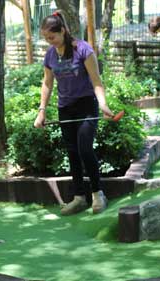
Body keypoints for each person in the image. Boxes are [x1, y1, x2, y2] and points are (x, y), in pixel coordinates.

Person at [34, 11, 115, 215]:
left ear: (62, 31)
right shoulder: (51, 54)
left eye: (51, 37)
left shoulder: (83, 50)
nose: (49, 42)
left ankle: (98, 194)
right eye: (45, 38)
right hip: (65, 108)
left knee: (84, 148)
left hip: (86, 105)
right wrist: (41, 110)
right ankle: (79, 197)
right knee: (72, 152)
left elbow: (96, 81)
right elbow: (47, 83)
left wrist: (103, 105)